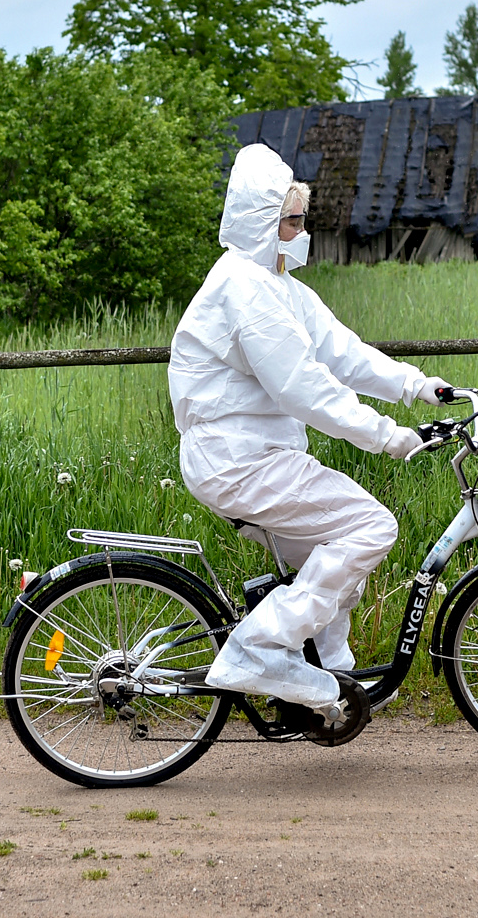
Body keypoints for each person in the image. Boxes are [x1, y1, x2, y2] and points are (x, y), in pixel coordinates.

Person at [169, 143, 451, 724]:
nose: (303, 231)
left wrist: (420, 387)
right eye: (292, 221)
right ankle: (258, 650)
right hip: (238, 461)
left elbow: (342, 352)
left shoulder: (278, 286)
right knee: (370, 526)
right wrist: (387, 436)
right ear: (260, 224)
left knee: (337, 564)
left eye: (302, 219)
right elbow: (303, 387)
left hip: (255, 457)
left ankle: (333, 673)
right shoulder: (244, 289)